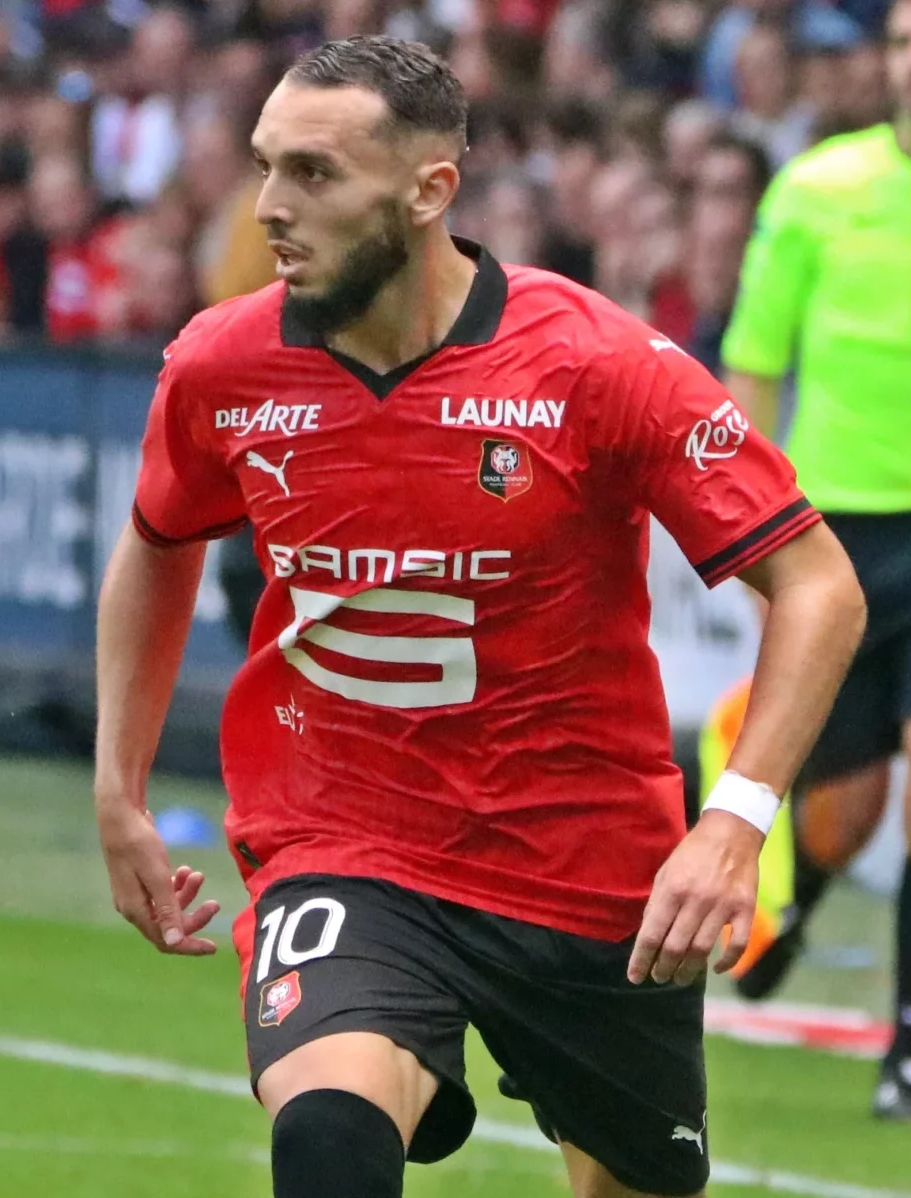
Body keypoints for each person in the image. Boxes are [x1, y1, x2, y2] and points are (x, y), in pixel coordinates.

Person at [93, 35, 867, 1198]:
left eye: (313, 175)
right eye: (264, 167)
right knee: (327, 1135)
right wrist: (119, 787)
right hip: (344, 842)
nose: (270, 209)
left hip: (588, 867)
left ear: (428, 189)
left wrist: (735, 822)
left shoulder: (594, 364)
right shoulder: (224, 365)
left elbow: (819, 585)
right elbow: (156, 546)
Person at [718, 0, 911, 1122]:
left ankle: (907, 1054)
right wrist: (752, 527)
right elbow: (755, 359)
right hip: (834, 538)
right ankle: (793, 909)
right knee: (841, 814)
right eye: (910, 40)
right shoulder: (817, 189)